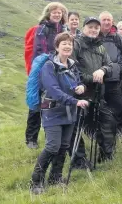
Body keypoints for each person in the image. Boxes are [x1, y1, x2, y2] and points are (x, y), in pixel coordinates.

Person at [30, 32, 89, 194]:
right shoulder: (49, 66)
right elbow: (54, 91)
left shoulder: (72, 65)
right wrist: (76, 101)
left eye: (70, 44)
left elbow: (78, 81)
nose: (68, 46)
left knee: (63, 146)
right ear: (57, 47)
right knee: (52, 146)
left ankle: (55, 178)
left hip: (69, 112)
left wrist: (81, 87)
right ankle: (36, 181)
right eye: (64, 44)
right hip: (52, 111)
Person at [69, 16, 115, 168]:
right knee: (76, 128)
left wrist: (102, 70)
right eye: (90, 27)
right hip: (79, 95)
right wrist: (91, 78)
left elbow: (110, 65)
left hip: (97, 95)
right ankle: (79, 161)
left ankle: (107, 156)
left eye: (96, 27)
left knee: (108, 123)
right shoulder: (76, 44)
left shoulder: (101, 47)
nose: (94, 30)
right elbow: (71, 69)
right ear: (84, 29)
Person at [26, 2, 68, 149]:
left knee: (54, 101)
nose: (57, 14)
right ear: (48, 14)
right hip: (44, 66)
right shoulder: (42, 29)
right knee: (38, 101)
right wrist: (54, 61)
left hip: (60, 66)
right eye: (54, 12)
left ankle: (52, 135)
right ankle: (31, 138)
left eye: (60, 12)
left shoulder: (63, 29)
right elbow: (40, 50)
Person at [98, 11, 122, 135]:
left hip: (114, 78)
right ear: (99, 21)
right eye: (104, 20)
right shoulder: (95, 35)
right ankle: (100, 132)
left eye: (109, 20)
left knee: (119, 105)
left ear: (112, 22)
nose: (106, 22)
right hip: (97, 79)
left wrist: (119, 65)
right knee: (99, 106)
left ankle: (119, 132)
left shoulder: (117, 37)